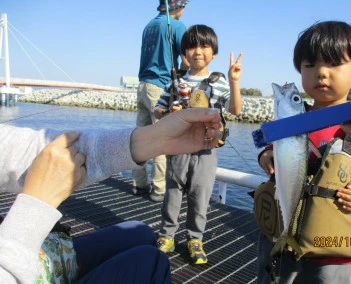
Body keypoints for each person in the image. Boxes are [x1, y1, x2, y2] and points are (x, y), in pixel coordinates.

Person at [0, 107, 223, 283]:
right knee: (151, 262)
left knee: (141, 232)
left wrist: (156, 139)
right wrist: (37, 203)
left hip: (47, 254)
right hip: (21, 266)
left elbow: (20, 149)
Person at [257, 21, 351, 283]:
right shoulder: (292, 119)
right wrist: (266, 155)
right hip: (279, 239)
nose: (321, 73)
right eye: (309, 65)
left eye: (334, 64)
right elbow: (275, 149)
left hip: (332, 248)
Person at [154, 24, 243, 264]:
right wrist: (167, 113)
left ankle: (195, 239)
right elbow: (157, 109)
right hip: (178, 149)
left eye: (204, 46)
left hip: (206, 150)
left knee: (200, 196)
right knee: (172, 194)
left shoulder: (220, 82)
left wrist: (234, 81)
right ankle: (167, 235)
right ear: (184, 53)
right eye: (192, 46)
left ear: (214, 52)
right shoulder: (175, 82)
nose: (198, 51)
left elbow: (235, 109)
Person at [134, 0, 190, 202]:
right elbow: (186, 58)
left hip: (142, 86)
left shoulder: (148, 26)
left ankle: (140, 185)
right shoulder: (176, 25)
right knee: (160, 138)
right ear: (179, 5)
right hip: (160, 87)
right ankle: (158, 190)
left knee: (139, 138)